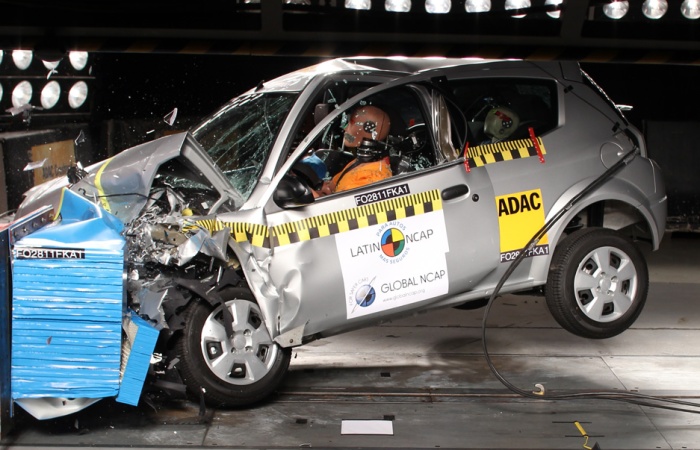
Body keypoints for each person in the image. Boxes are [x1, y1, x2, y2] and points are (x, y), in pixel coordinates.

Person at [330, 105, 392, 193]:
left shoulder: (371, 175)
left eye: (351, 123)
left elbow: (342, 205)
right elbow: (331, 186)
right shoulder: (359, 162)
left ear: (369, 128)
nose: (345, 128)